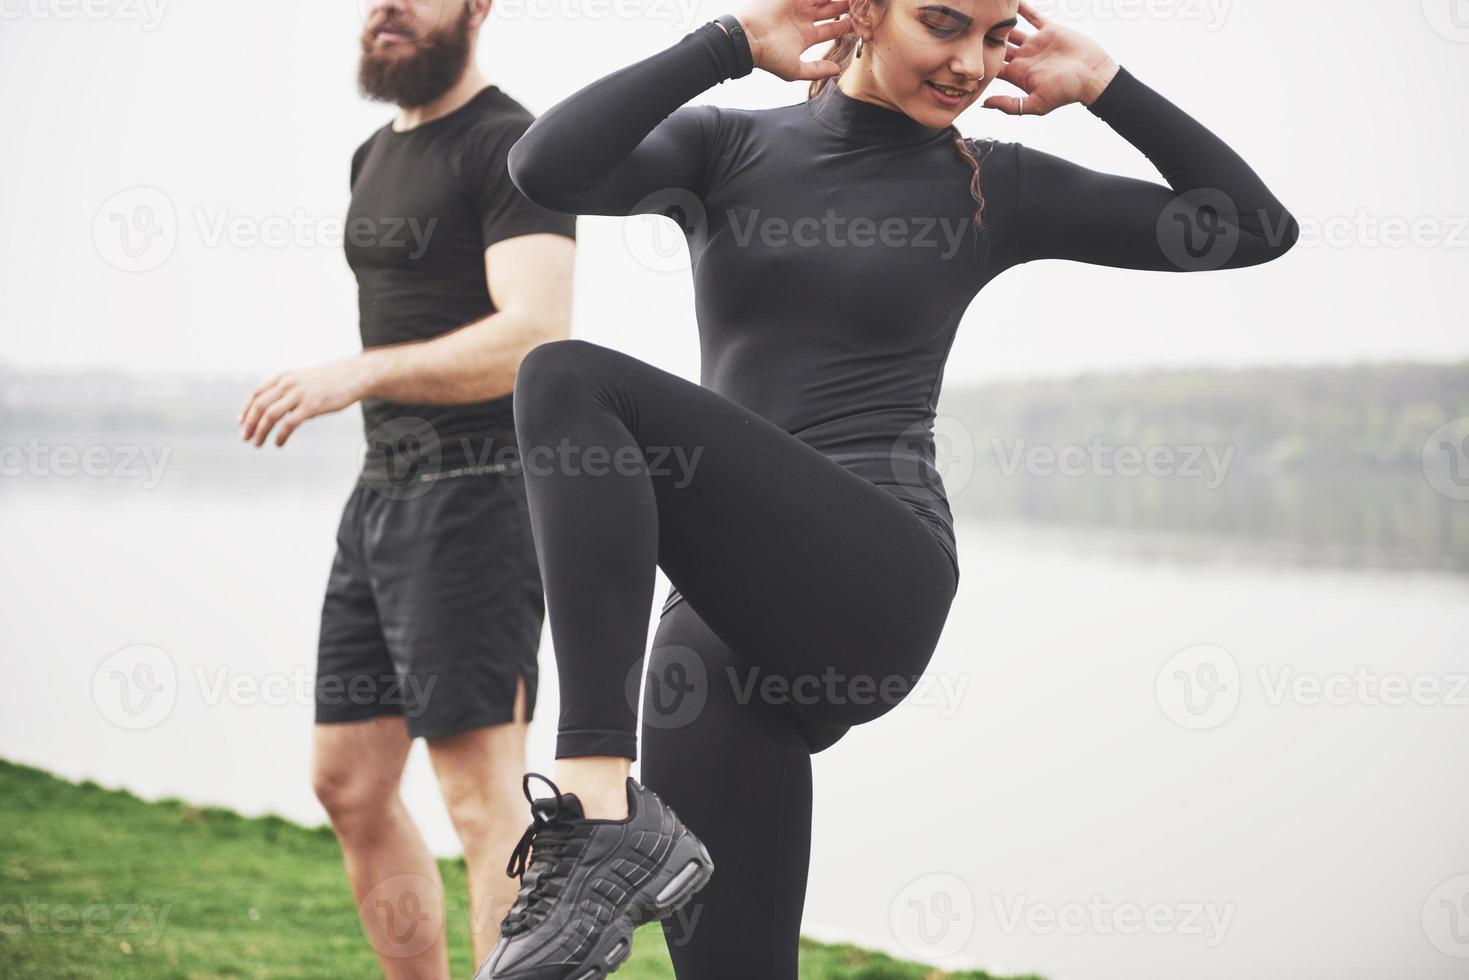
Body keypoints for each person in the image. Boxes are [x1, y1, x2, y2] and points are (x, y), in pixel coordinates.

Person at [476, 0, 1299, 977]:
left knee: (565, 379)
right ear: (860, 12)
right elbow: (544, 169)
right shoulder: (723, 145)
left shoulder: (996, 184)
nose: (969, 63)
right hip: (719, 631)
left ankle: (596, 807)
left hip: (876, 577)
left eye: (995, 38)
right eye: (944, 23)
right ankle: (615, 829)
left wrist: (1104, 86)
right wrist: (727, 45)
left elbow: (1251, 227)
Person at [236, 0, 576, 975]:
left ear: (476, 7)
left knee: (483, 802)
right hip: (381, 495)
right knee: (345, 780)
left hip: (479, 499)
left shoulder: (515, 145)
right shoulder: (372, 155)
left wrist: (362, 371)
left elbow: (534, 335)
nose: (386, 6)